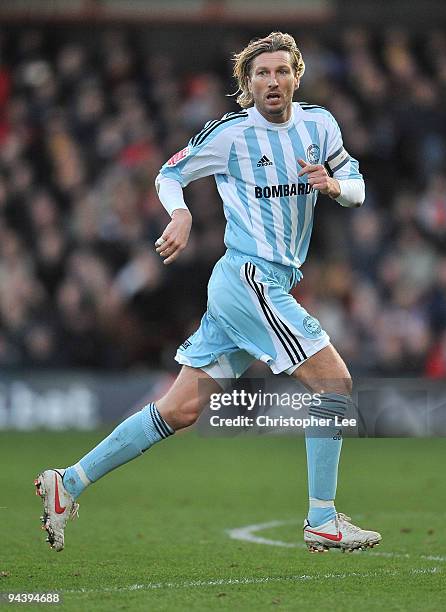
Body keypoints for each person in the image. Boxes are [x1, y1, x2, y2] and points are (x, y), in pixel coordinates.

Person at [35, 32, 381, 553]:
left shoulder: (320, 125)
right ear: (247, 83)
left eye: (282, 72)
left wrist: (334, 187)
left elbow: (355, 182)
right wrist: (181, 211)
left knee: (179, 410)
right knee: (333, 383)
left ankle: (70, 482)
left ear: (296, 76)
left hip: (261, 283)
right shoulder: (231, 134)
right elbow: (168, 173)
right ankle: (322, 519)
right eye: (262, 74)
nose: (273, 81)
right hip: (249, 279)